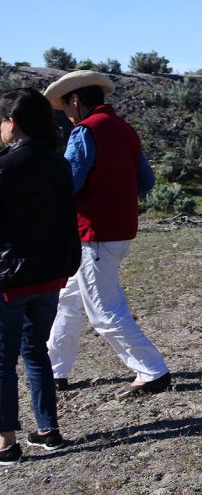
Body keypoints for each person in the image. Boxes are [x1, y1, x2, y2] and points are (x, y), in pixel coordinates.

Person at [42, 71, 171, 400]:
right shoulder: (125, 128)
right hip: (118, 227)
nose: (67, 115)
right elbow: (146, 181)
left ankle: (152, 370)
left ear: (75, 101)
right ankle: (54, 369)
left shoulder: (85, 131)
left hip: (93, 231)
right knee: (69, 298)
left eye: (66, 108)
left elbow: (69, 182)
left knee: (103, 308)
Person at [0, 89, 81, 463]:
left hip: (8, 280)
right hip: (49, 276)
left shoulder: (5, 167)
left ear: (12, 124)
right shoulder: (58, 163)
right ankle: (48, 429)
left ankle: (6, 442)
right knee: (36, 353)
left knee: (3, 361)